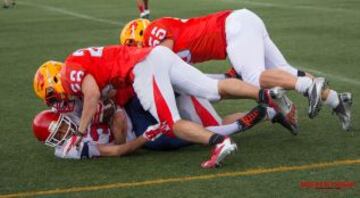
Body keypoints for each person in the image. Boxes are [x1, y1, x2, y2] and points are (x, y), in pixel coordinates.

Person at [33, 45, 291, 168]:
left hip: (142, 69)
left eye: (53, 96)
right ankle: (267, 95)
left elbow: (91, 94)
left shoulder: (70, 74)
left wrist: (80, 132)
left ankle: (219, 142)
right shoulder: (74, 85)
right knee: (211, 91)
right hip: (155, 56)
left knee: (172, 124)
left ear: (56, 78)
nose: (59, 103)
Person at [124, 9, 351, 131]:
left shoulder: (155, 32)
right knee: (284, 69)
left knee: (256, 79)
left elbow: (166, 59)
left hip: (233, 29)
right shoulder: (163, 35)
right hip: (240, 23)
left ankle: (308, 86)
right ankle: (335, 100)